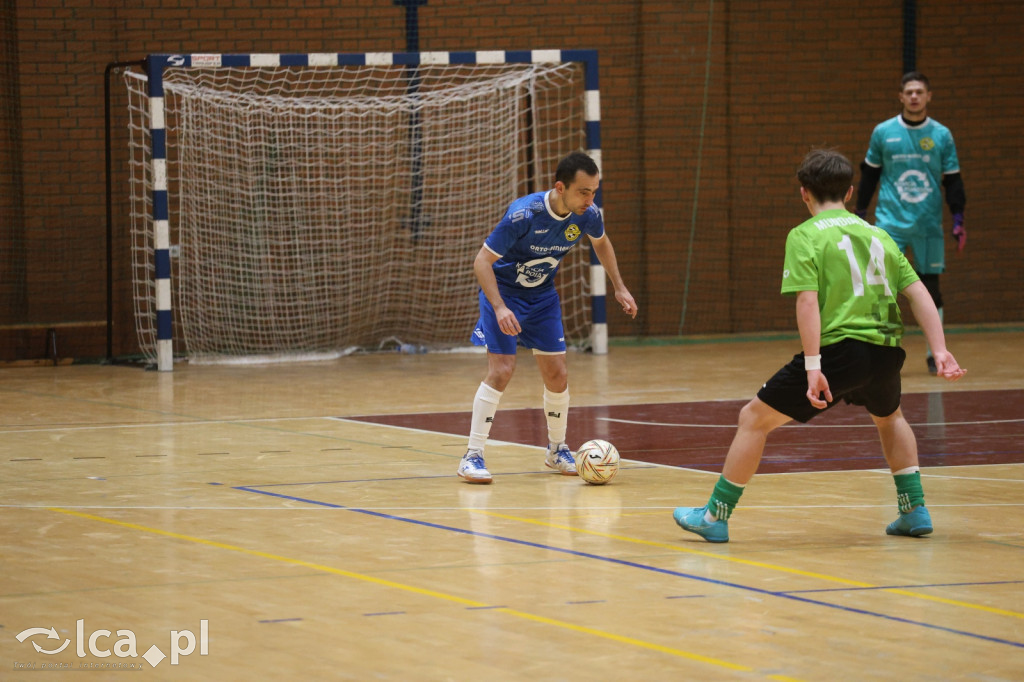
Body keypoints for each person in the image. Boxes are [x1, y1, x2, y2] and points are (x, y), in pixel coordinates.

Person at [673, 148, 966, 543]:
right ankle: (913, 510)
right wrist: (940, 349)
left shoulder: (804, 235)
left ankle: (714, 516)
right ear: (849, 193)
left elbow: (807, 301)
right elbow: (919, 295)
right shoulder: (879, 235)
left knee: (753, 419)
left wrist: (814, 365)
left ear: (803, 193)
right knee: (890, 417)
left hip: (840, 352)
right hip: (885, 350)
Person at [457, 150, 638, 483]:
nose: (590, 199)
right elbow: (482, 262)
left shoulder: (588, 214)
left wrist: (619, 287)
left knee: (557, 373)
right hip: (504, 295)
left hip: (541, 298)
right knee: (502, 370)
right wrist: (499, 307)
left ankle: (557, 450)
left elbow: (601, 243)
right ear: (560, 187)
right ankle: (472, 455)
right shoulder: (523, 215)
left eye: (594, 191)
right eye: (583, 191)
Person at [855, 71, 966, 375]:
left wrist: (958, 216)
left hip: (928, 223)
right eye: (909, 92)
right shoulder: (883, 132)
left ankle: (935, 354)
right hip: (890, 222)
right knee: (880, 288)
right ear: (901, 97)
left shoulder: (941, 135)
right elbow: (870, 175)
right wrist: (860, 212)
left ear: (929, 96)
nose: (914, 96)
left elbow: (953, 179)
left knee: (931, 289)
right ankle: (879, 352)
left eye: (920, 92)